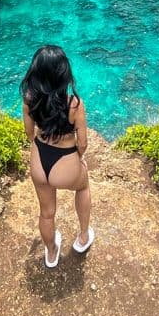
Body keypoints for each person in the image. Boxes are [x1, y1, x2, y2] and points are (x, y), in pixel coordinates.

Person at [20, 45, 94, 268]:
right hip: (66, 162)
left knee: (46, 213)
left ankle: (51, 253)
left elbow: (29, 133)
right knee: (82, 187)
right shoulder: (74, 104)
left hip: (40, 162)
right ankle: (82, 238)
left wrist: (41, 146)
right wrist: (78, 159)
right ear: (64, 75)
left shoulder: (29, 99)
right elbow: (83, 142)